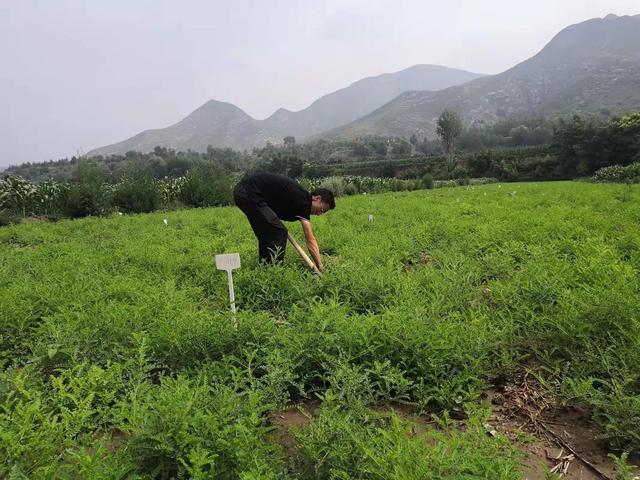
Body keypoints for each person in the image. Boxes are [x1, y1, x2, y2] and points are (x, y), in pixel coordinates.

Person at [233, 172, 335, 271]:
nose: (319, 214)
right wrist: (320, 266)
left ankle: (265, 270)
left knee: (267, 234)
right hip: (249, 193)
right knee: (278, 233)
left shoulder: (301, 199)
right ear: (317, 198)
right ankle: (274, 272)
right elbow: (310, 240)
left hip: (247, 193)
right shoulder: (303, 202)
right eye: (322, 210)